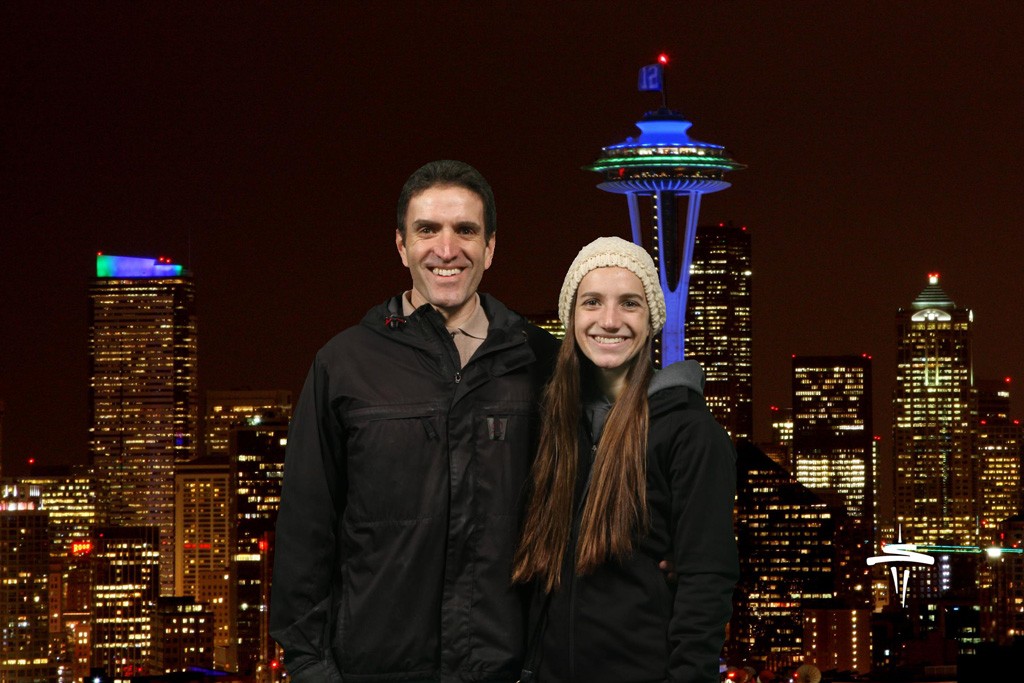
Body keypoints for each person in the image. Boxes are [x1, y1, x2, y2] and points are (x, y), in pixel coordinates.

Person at [270, 160, 559, 682]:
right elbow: (304, 532)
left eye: (465, 231)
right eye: (427, 230)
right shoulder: (343, 364)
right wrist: (311, 668)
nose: (446, 250)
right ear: (401, 245)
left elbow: (588, 495)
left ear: (490, 247)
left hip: (506, 669)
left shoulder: (540, 360)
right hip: (373, 670)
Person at [512, 236, 739, 683]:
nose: (609, 321)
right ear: (571, 317)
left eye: (630, 303)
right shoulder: (554, 426)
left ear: (652, 319)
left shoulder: (690, 433)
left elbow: (707, 581)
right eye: (592, 302)